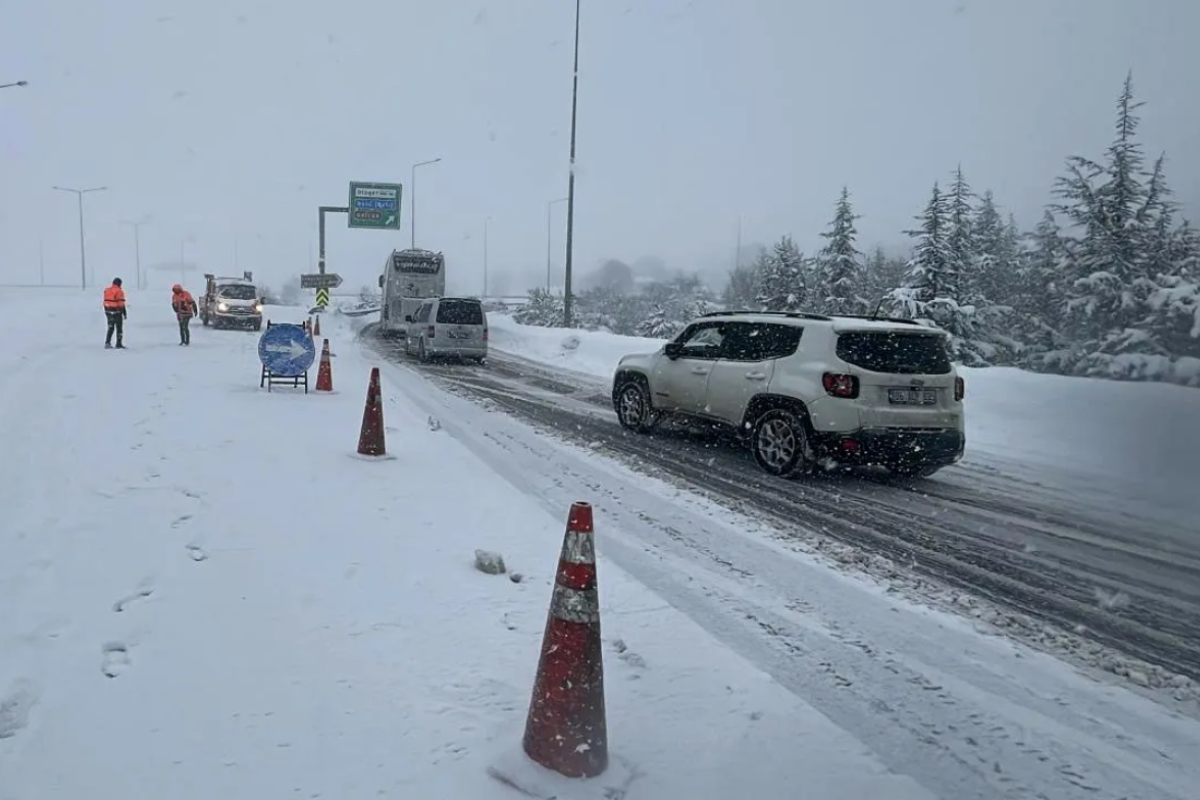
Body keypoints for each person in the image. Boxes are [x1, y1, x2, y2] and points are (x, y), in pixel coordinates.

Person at [103, 277, 127, 349]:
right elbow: (121, 303)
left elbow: (105, 301)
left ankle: (107, 343)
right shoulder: (119, 291)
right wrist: (124, 313)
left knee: (110, 327)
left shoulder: (107, 290)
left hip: (108, 311)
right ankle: (118, 344)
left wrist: (106, 310)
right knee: (119, 328)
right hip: (117, 311)